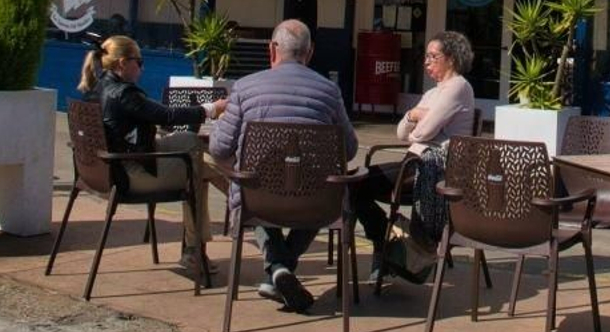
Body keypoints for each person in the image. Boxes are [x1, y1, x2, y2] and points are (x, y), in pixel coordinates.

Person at [209, 18, 357, 313]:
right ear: (310, 52)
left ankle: (278, 267)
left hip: (258, 200)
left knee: (252, 186)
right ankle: (282, 268)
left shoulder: (245, 88)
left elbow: (218, 147)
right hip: (314, 202)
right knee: (326, 191)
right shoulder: (329, 92)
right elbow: (349, 149)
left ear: (272, 49)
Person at [78, 35, 217, 279]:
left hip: (105, 169)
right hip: (128, 175)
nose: (143, 67)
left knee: (190, 143)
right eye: (139, 62)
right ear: (122, 63)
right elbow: (167, 115)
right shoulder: (123, 94)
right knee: (197, 170)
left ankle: (198, 244)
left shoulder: (96, 88)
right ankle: (197, 246)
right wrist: (212, 109)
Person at [351, 31, 475, 281]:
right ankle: (386, 242)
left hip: (433, 168)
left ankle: (385, 245)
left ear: (450, 58)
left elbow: (423, 132)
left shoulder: (458, 87)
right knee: (354, 184)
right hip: (414, 163)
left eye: (432, 56)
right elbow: (401, 132)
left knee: (355, 186)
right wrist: (414, 116)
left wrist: (419, 122)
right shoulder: (432, 93)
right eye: (426, 56)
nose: (426, 62)